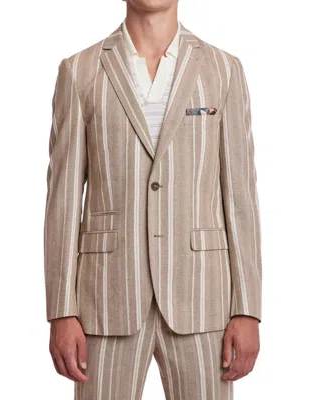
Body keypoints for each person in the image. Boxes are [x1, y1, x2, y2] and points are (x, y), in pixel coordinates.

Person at [43, 0, 262, 398]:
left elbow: (241, 197)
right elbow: (63, 200)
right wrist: (61, 310)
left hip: (202, 297)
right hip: (107, 299)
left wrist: (247, 309)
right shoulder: (79, 71)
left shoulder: (223, 70)